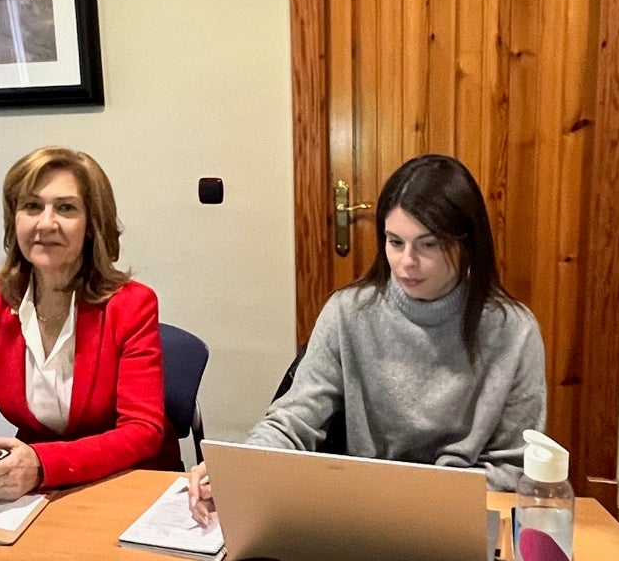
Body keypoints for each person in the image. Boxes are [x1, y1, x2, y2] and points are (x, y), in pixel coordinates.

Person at [190, 153, 547, 524]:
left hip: (463, 513)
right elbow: (295, 418)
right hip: (365, 512)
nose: (407, 261)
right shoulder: (350, 313)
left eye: (428, 244)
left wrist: (424, 499)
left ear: (467, 244)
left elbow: (514, 466)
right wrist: (239, 470)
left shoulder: (514, 331)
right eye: (395, 242)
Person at [0, 147, 177, 500]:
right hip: (29, 496)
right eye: (31, 206)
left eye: (66, 208)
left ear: (92, 225)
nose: (45, 223)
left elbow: (142, 429)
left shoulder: (132, 304)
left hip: (124, 485)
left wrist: (43, 464)